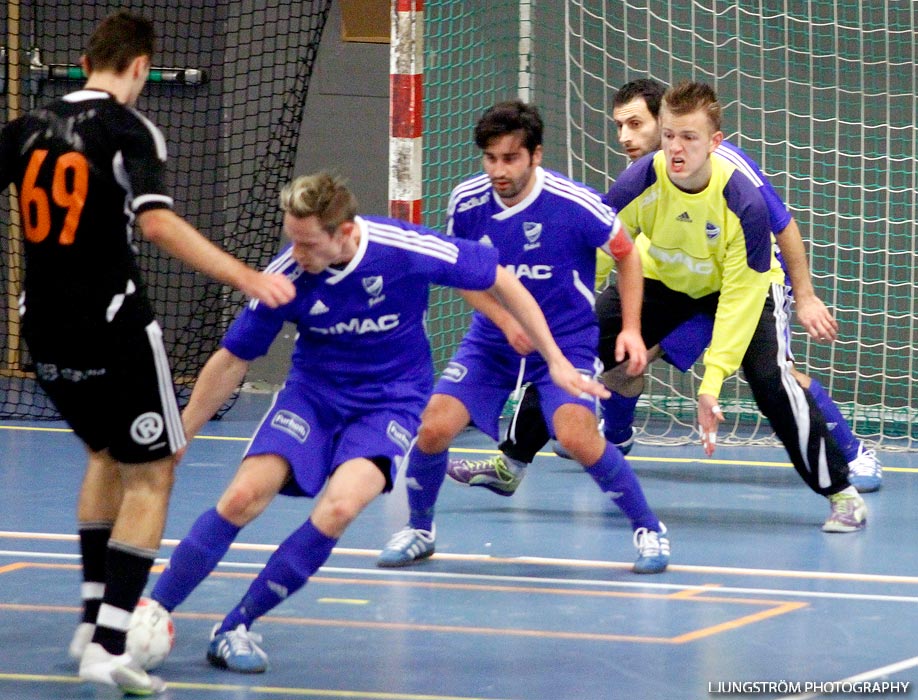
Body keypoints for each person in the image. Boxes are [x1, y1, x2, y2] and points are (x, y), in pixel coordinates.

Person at [147, 172, 605, 674]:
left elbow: (499, 277)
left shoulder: (403, 248)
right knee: (240, 498)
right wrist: (184, 431)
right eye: (291, 240)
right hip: (313, 398)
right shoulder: (289, 276)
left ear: (344, 232)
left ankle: (236, 625)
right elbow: (233, 359)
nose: (296, 253)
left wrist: (555, 358)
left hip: (391, 402)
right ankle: (150, 613)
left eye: (307, 243)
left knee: (341, 507)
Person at [0, 11, 296, 695]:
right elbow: (157, 223)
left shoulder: (27, 128)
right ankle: (108, 644)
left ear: (82, 63)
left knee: (108, 455)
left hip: (39, 329)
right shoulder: (130, 129)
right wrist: (247, 277)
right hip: (111, 326)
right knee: (155, 470)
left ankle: (89, 620)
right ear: (139, 67)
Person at [449, 77, 882, 497]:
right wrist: (556, 306)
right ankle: (528, 458)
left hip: (742, 281)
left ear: (705, 138)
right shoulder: (642, 178)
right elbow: (600, 248)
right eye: (620, 125)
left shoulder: (738, 188)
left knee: (774, 378)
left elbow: (781, 230)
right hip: (668, 279)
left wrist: (802, 297)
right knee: (575, 345)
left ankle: (847, 468)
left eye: (636, 124)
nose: (625, 136)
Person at [377, 100, 672, 576]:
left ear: (535, 155)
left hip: (567, 342)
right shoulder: (468, 203)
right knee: (432, 426)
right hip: (492, 343)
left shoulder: (573, 203)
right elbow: (463, 276)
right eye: (490, 158)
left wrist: (633, 329)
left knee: (576, 435)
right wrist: (506, 321)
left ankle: (649, 529)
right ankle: (419, 530)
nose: (499, 169)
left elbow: (627, 255)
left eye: (510, 158)